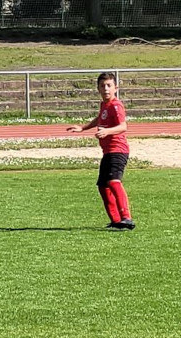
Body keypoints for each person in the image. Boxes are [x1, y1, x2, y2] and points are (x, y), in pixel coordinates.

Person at [67, 72, 134, 230]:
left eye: (109, 85)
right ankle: (116, 221)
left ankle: (126, 217)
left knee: (113, 181)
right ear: (98, 89)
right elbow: (100, 119)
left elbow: (123, 126)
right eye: (102, 86)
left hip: (118, 150)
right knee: (103, 185)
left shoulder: (116, 105)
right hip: (108, 151)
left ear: (115, 88)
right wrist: (83, 128)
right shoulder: (104, 105)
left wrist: (107, 132)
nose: (106, 89)